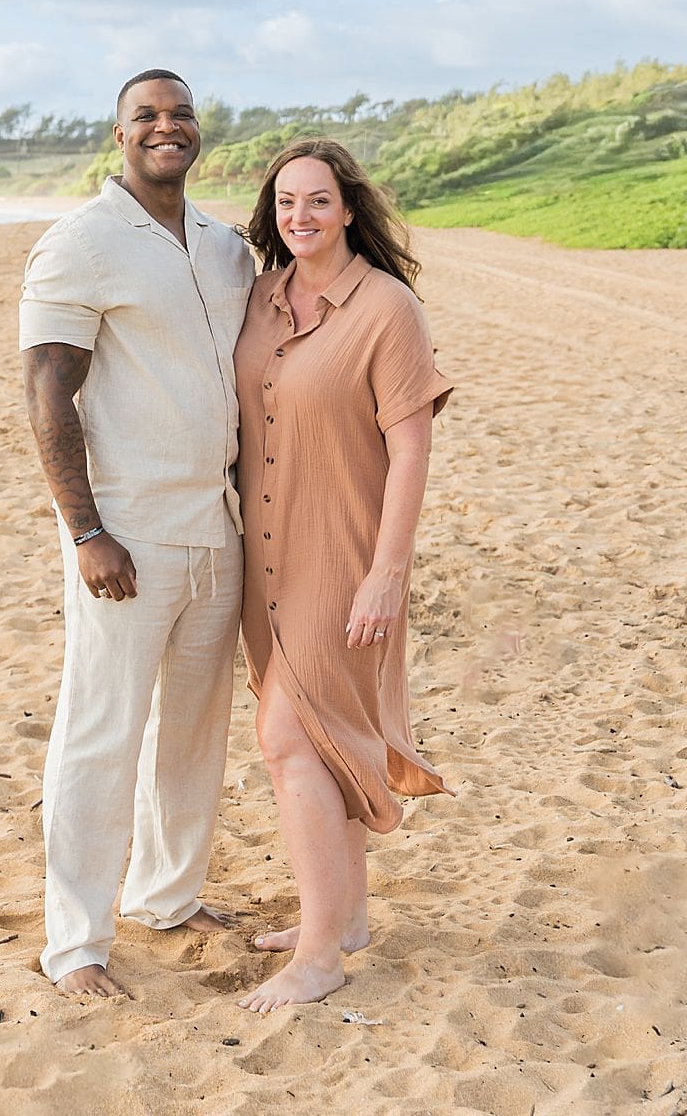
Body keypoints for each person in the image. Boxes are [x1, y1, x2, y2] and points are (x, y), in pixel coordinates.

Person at [19, 70, 255, 999]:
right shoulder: (79, 242)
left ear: (199, 133)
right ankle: (75, 941)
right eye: (147, 116)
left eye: (182, 114)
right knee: (101, 731)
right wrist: (85, 530)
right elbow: (47, 389)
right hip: (128, 531)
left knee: (195, 728)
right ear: (118, 135)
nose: (168, 126)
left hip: (219, 525)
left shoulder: (222, 244)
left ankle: (170, 895)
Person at [233, 137, 454, 1014]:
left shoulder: (387, 308)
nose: (300, 218)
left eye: (317, 201)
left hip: (344, 556)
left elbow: (410, 448)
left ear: (349, 209)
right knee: (313, 738)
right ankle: (347, 915)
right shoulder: (260, 297)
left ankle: (321, 953)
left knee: (288, 738)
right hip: (266, 558)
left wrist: (386, 573)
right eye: (287, 204)